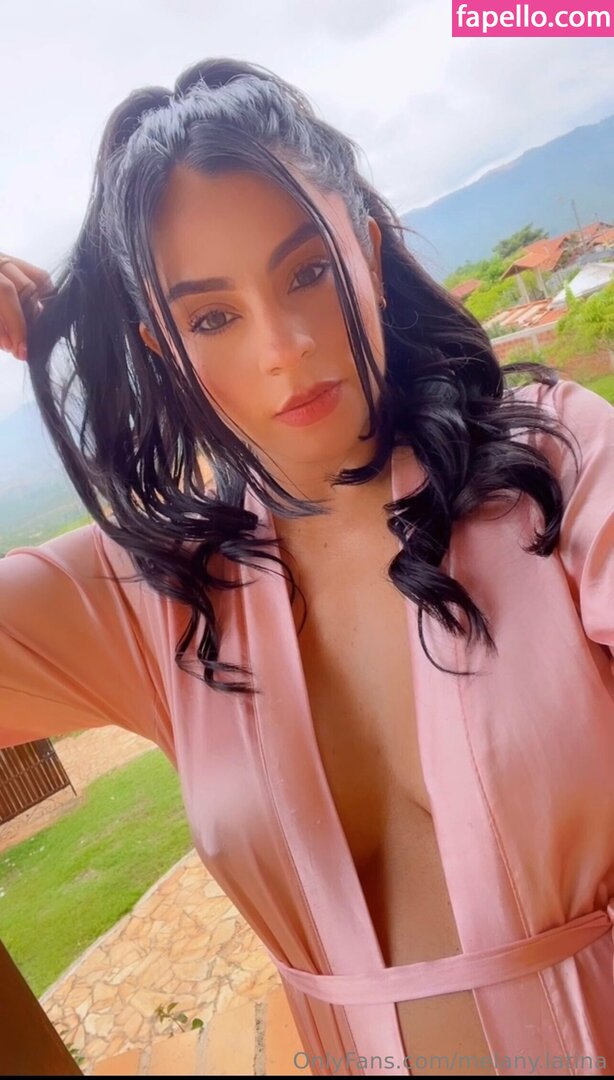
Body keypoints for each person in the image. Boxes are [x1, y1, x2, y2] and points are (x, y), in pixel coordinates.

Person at [0, 57, 612, 1078]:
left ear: (364, 252)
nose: (282, 347)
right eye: (212, 317)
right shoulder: (150, 597)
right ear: (162, 346)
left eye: (307, 272)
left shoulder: (551, 464)